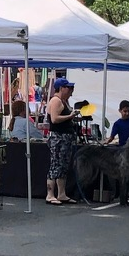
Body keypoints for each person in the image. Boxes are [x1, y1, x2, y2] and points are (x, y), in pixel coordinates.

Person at [43, 77, 78, 205]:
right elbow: (55, 119)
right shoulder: (56, 101)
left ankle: (61, 193)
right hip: (58, 138)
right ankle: (50, 194)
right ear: (62, 88)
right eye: (69, 88)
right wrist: (70, 116)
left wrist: (72, 119)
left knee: (63, 166)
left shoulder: (64, 101)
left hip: (65, 138)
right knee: (55, 165)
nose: (71, 91)